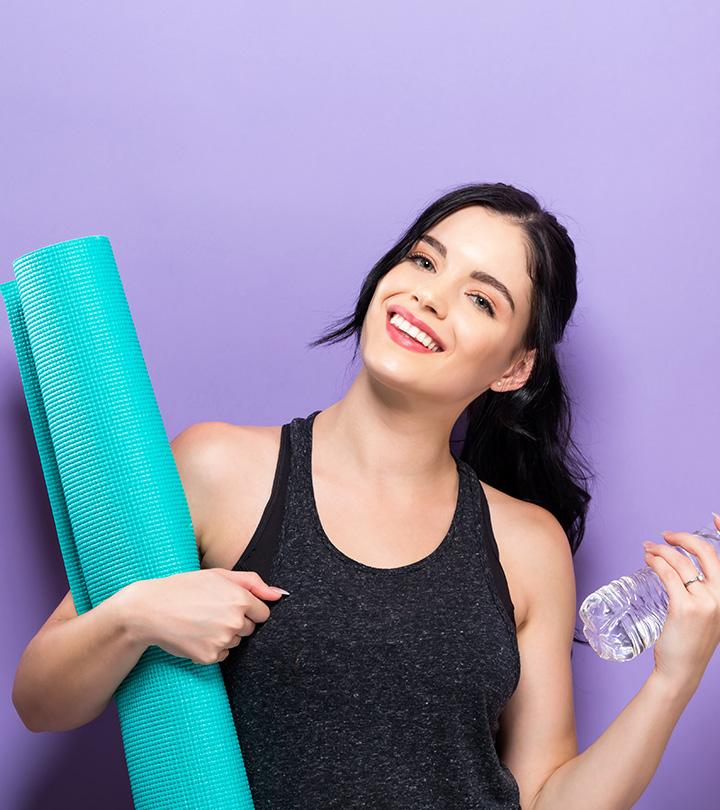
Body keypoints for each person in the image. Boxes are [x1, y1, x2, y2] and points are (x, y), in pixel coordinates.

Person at [12, 182, 720, 809]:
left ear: (513, 366)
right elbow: (40, 701)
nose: (427, 296)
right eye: (422, 260)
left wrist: (673, 679)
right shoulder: (219, 469)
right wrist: (138, 615)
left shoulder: (527, 544)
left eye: (479, 298)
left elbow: (543, 798)